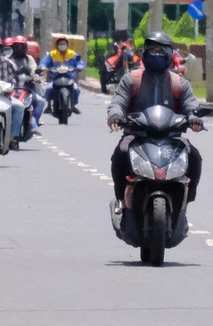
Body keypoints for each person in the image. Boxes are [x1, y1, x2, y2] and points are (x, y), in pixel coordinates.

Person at [105, 31, 203, 203]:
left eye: (161, 51)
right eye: (152, 50)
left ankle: (186, 200)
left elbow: (191, 106)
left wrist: (195, 118)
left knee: (194, 156)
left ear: (170, 53)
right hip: (136, 136)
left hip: (171, 137)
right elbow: (118, 102)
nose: (156, 55)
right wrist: (115, 116)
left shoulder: (179, 83)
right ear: (144, 54)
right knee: (120, 153)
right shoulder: (131, 80)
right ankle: (121, 200)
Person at [7, 36, 44, 135]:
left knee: (40, 102)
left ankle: (34, 122)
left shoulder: (29, 59)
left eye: (22, 46)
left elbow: (33, 69)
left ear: (26, 48)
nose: (19, 48)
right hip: (10, 88)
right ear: (13, 47)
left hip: (27, 87)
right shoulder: (7, 59)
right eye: (17, 46)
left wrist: (35, 76)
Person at [46, 35, 83, 113]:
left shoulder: (72, 54)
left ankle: (74, 105)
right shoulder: (52, 54)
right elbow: (44, 63)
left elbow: (79, 62)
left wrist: (79, 67)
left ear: (67, 45)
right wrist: (43, 68)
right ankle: (49, 106)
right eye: (60, 44)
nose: (62, 46)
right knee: (49, 89)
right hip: (56, 77)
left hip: (69, 77)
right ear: (57, 45)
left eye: (64, 44)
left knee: (76, 90)